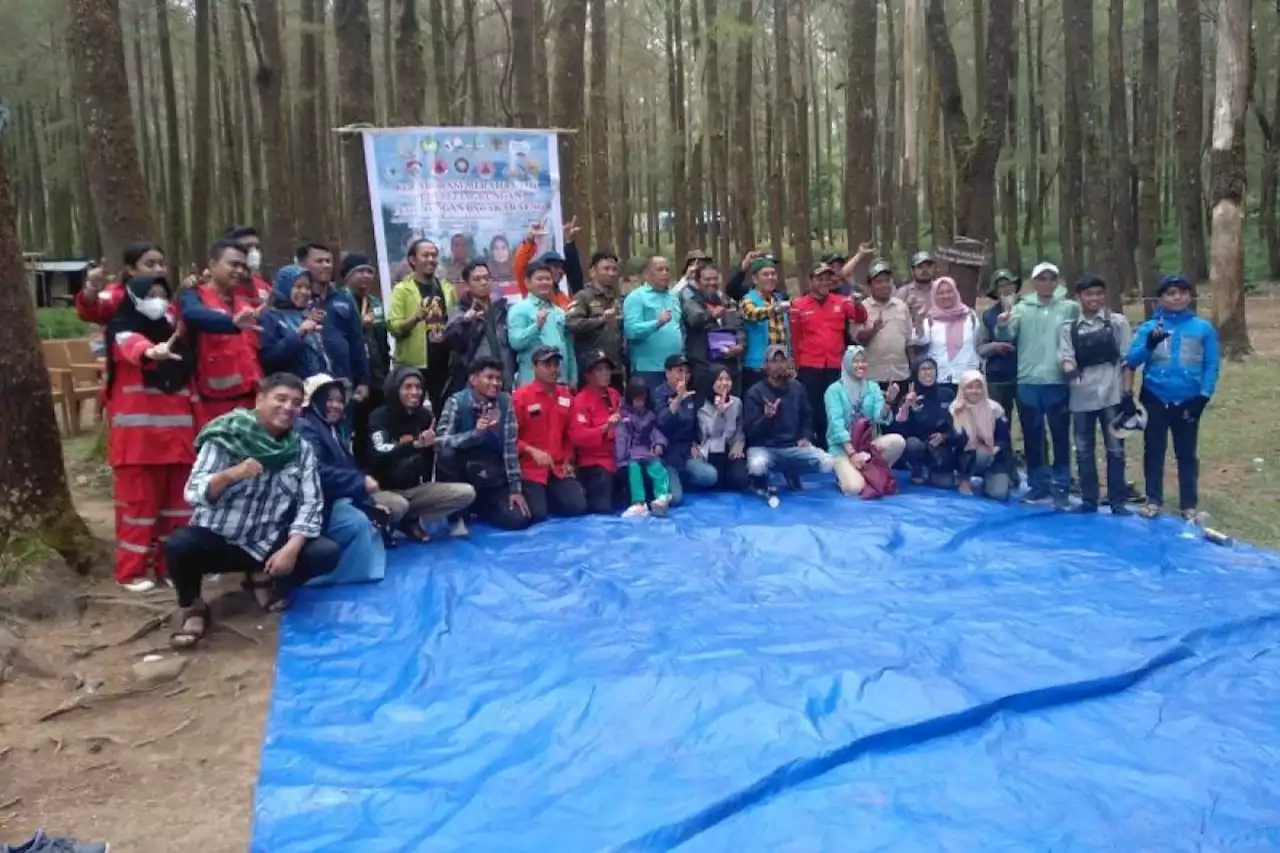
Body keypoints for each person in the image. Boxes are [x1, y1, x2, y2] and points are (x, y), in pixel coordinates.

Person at [164, 373, 341, 649]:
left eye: (295, 402)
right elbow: (193, 492)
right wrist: (231, 474)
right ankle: (194, 606)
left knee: (325, 552)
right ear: (260, 399)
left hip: (266, 538)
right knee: (179, 546)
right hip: (221, 537)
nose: (287, 407)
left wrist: (291, 548)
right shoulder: (225, 435)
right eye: (280, 399)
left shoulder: (300, 448)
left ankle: (264, 577)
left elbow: (312, 502)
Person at [102, 274, 195, 592]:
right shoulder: (122, 331)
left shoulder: (177, 339)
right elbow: (133, 347)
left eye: (162, 294)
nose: (158, 300)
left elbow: (190, 385)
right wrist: (151, 352)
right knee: (139, 511)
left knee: (177, 511)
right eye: (150, 294)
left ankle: (171, 566)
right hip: (138, 444)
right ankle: (132, 570)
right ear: (134, 297)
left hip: (178, 442)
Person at [1125, 273, 1220, 521]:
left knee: (1186, 453)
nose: (1176, 297)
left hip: (1189, 399)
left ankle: (1189, 504)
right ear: (1161, 298)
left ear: (1190, 295)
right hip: (1155, 397)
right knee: (1154, 449)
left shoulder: (1203, 328)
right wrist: (1148, 344)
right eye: (1170, 293)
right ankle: (1153, 500)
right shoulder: (1150, 327)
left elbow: (1211, 365)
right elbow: (1132, 361)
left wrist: (1203, 396)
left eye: (1182, 292)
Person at [995, 261, 1079, 508]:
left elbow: (1077, 338)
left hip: (1057, 381)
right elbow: (1007, 336)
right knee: (1033, 436)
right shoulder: (1021, 308)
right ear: (1034, 283)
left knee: (1060, 435)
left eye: (1051, 278)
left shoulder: (1069, 308)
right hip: (1028, 381)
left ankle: (1062, 485)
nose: (1046, 283)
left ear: (1057, 281)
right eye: (1041, 279)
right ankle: (1037, 485)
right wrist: (1002, 323)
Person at [294, 374, 388, 585]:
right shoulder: (306, 427)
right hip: (318, 504)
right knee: (358, 524)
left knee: (380, 513)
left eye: (339, 400)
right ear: (316, 400)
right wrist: (360, 483)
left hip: (336, 497)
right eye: (330, 400)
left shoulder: (332, 429)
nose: (336, 405)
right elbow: (315, 470)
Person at [368, 366, 478, 540]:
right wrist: (414, 445)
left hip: (413, 490)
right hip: (382, 490)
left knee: (466, 493)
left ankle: (411, 520)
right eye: (408, 387)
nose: (415, 392)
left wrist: (431, 447)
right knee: (399, 505)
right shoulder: (379, 416)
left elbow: (428, 458)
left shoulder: (425, 416)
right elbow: (379, 450)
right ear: (395, 389)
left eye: (418, 387)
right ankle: (383, 523)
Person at [1059, 275, 1133, 515]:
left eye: (1099, 293)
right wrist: (1071, 374)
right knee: (1083, 449)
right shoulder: (1069, 328)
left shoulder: (1118, 323)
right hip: (1081, 397)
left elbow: (1127, 360)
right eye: (1089, 294)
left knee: (1115, 449)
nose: (1094, 298)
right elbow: (1066, 358)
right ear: (1078, 297)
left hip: (1112, 394)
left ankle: (1117, 501)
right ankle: (1089, 500)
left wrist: (1128, 393)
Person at [436, 357, 532, 530]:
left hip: (491, 473)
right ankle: (458, 512)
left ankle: (480, 506)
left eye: (499, 379)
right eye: (489, 377)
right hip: (463, 470)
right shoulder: (456, 402)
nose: (495, 383)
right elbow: (440, 442)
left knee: (519, 520)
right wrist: (475, 434)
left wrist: (515, 490)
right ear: (473, 380)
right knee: (446, 455)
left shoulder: (505, 402)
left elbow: (510, 447)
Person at [179, 239, 263, 428]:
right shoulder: (194, 297)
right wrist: (231, 323)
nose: (240, 271)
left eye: (243, 266)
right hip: (212, 403)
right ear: (212, 264)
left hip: (251, 400)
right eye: (233, 264)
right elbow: (193, 315)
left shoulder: (244, 303)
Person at [791, 262, 869, 444]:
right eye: (820, 279)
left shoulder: (841, 301)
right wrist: (795, 365)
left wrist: (857, 304)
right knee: (812, 408)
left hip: (835, 365)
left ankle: (835, 446)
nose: (824, 282)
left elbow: (861, 317)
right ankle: (814, 444)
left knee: (835, 407)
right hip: (809, 365)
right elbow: (794, 338)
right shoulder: (799, 305)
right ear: (811, 281)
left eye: (828, 278)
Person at [511, 346, 588, 522]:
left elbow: (570, 433)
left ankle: (551, 496)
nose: (554, 369)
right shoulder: (521, 397)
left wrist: (569, 460)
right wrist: (530, 450)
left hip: (558, 468)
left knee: (577, 507)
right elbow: (508, 439)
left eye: (556, 364)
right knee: (537, 515)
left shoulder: (566, 395)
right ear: (534, 367)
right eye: (547, 365)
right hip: (530, 470)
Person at [743, 344, 831, 497]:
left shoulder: (797, 388)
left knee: (827, 463)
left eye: (782, 361)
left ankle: (791, 470)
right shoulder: (755, 393)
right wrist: (766, 417)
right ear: (765, 366)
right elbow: (750, 433)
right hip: (766, 449)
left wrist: (805, 437)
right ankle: (761, 481)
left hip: (793, 447)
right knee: (757, 465)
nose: (779, 366)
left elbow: (807, 417)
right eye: (774, 361)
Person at [823, 345, 906, 497]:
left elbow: (879, 417)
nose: (860, 365)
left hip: (867, 445)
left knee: (898, 442)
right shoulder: (833, 391)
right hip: (843, 449)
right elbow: (836, 426)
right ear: (847, 363)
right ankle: (850, 473)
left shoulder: (872, 387)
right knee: (854, 488)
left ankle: (871, 472)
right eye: (855, 361)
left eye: (863, 361)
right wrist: (853, 454)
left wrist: (888, 402)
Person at [294, 242, 370, 403]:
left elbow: (357, 341)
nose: (326, 266)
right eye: (319, 261)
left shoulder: (344, 298)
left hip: (343, 384)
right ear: (302, 265)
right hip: (309, 386)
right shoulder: (297, 300)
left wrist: (363, 381)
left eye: (328, 261)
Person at [387, 238, 458, 410]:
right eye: (425, 255)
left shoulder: (447, 288)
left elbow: (455, 322)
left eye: (434, 255)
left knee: (442, 410)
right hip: (414, 366)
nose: (431, 259)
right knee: (412, 412)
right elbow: (393, 327)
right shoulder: (402, 290)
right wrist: (415, 319)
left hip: (443, 363)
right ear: (412, 260)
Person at [339, 252, 392, 462]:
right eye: (360, 271)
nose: (366, 276)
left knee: (377, 428)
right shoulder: (340, 302)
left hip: (378, 376)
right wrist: (358, 326)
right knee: (358, 430)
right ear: (348, 275)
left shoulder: (375, 302)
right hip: (354, 379)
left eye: (369, 271)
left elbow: (382, 340)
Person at [443, 261, 516, 392]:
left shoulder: (502, 309)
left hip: (504, 381)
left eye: (486, 278)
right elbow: (451, 342)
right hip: (475, 384)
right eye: (477, 279)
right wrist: (465, 322)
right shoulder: (459, 312)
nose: (483, 282)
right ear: (467, 284)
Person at [653, 353, 718, 501]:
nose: (683, 376)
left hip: (685, 450)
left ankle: (683, 478)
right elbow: (661, 423)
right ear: (667, 373)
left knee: (710, 476)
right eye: (679, 371)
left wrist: (695, 443)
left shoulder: (691, 394)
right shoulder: (658, 393)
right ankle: (669, 477)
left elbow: (694, 423)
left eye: (686, 372)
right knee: (675, 498)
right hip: (667, 451)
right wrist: (677, 400)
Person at [569, 349, 625, 514]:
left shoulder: (614, 395)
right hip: (595, 463)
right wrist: (605, 428)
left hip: (618, 459)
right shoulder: (580, 401)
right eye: (599, 370)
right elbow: (577, 437)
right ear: (588, 375)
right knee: (602, 508)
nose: (606, 374)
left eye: (607, 369)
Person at [682, 261, 745, 397]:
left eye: (715, 279)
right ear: (698, 282)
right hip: (705, 368)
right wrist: (712, 314)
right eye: (707, 279)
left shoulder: (725, 301)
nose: (712, 283)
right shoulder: (691, 302)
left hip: (730, 368)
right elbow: (695, 319)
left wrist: (740, 345)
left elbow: (738, 327)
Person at [615, 376, 675, 518]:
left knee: (657, 466)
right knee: (634, 470)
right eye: (637, 399)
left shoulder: (649, 416)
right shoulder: (624, 417)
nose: (640, 403)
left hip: (646, 452)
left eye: (643, 399)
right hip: (630, 455)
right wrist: (621, 458)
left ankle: (661, 497)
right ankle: (638, 503)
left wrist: (659, 443)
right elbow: (621, 437)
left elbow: (654, 432)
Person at [509, 260, 576, 386]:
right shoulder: (519, 309)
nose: (545, 282)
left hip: (560, 381)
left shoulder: (559, 311)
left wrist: (573, 377)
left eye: (548, 279)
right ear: (528, 283)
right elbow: (515, 343)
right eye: (539, 279)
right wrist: (537, 326)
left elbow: (568, 346)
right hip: (531, 383)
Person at [949, 370, 1014, 500]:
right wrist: (959, 416)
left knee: (999, 494)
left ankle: (992, 479)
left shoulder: (995, 409)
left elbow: (1003, 438)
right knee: (979, 454)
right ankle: (964, 478)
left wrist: (993, 450)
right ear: (962, 389)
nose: (975, 391)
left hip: (992, 455)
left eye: (979, 387)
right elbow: (955, 439)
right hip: (964, 455)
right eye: (970, 387)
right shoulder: (954, 408)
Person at [623, 255, 684, 391]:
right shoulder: (636, 297)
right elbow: (631, 330)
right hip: (648, 369)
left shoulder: (673, 297)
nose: (665, 273)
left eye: (667, 270)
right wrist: (657, 323)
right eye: (659, 269)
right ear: (646, 274)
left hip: (675, 368)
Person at [566, 250, 625, 390]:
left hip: (614, 368)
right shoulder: (582, 297)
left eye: (614, 269)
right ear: (593, 271)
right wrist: (601, 320)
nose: (611, 273)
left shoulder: (617, 298)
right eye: (606, 269)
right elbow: (572, 324)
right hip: (591, 369)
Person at [259, 265, 331, 379]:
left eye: (307, 287)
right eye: (298, 286)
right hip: (289, 389)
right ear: (284, 287)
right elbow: (268, 358)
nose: (304, 292)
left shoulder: (306, 315)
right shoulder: (270, 317)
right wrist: (299, 334)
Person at [894, 358, 957, 487]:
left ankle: (937, 469)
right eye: (923, 369)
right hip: (918, 445)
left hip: (940, 445)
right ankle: (918, 469)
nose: (928, 372)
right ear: (916, 373)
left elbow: (958, 424)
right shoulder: (909, 397)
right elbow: (899, 431)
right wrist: (906, 406)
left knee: (945, 484)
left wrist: (945, 436)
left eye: (931, 369)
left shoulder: (947, 394)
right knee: (912, 444)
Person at [75, 242, 168, 325]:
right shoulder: (118, 295)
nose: (159, 269)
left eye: (161, 264)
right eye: (150, 265)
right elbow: (88, 312)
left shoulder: (169, 296)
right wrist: (93, 285)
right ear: (131, 269)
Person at [855, 260, 915, 389]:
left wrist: (913, 372)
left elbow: (909, 342)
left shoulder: (901, 306)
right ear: (870, 285)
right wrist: (873, 330)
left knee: (902, 409)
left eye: (887, 281)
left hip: (901, 374)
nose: (884, 285)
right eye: (879, 282)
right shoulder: (862, 308)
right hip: (873, 377)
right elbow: (857, 338)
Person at [916, 276, 981, 387]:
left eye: (949, 291)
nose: (946, 296)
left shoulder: (970, 317)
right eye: (940, 293)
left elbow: (978, 344)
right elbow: (921, 340)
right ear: (934, 296)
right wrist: (918, 322)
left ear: (955, 292)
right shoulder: (930, 319)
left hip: (968, 380)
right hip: (940, 379)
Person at [695, 367, 751, 492]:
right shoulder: (702, 407)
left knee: (741, 480)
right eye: (720, 379)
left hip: (730, 451)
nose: (725, 383)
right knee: (713, 481)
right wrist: (720, 413)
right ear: (711, 383)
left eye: (728, 379)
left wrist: (739, 445)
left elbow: (740, 428)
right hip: (712, 453)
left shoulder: (736, 403)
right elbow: (712, 434)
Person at [739, 256, 791, 390]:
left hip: (781, 365)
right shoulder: (748, 299)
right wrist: (776, 309)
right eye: (765, 274)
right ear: (755, 279)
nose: (770, 278)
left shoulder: (778, 299)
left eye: (773, 274)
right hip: (757, 366)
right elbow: (752, 313)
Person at [976, 268, 1021, 420]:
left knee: (1032, 423)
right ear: (995, 291)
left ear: (1015, 286)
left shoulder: (1027, 309)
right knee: (1000, 420)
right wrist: (995, 346)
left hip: (1025, 375)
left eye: (1009, 284)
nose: (1006, 289)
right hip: (998, 377)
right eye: (1000, 286)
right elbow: (980, 348)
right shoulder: (988, 315)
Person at [222, 225, 274, 304]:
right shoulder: (223, 288)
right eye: (247, 246)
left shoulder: (263, 286)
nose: (254, 252)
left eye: (256, 247)